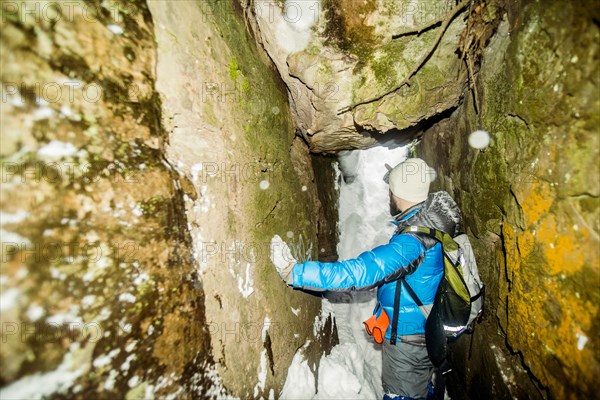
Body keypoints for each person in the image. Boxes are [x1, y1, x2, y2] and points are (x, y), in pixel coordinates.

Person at [276, 158, 464, 400]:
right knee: (423, 388)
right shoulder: (432, 225)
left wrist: (296, 272)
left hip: (407, 343)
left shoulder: (411, 243)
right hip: (426, 332)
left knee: (401, 396)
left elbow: (359, 272)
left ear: (398, 192)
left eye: (391, 189)